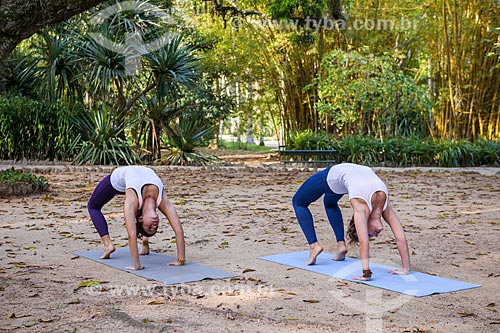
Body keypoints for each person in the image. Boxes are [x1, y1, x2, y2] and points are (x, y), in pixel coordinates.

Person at [292, 163, 411, 280]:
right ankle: (315, 245)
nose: (375, 235)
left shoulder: (365, 206)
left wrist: (405, 269)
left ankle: (338, 246)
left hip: (350, 175)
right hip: (338, 174)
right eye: (370, 234)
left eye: (370, 234)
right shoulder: (378, 205)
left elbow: (399, 238)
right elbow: (365, 242)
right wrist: (366, 273)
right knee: (298, 202)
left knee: (327, 203)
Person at [87, 165, 186, 270]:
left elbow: (131, 234)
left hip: (119, 180)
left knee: (93, 206)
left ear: (141, 219)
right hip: (139, 174)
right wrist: (181, 260)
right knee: (143, 209)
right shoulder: (162, 201)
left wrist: (136, 265)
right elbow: (178, 230)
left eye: (149, 227)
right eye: (155, 228)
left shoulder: (131, 200)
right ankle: (144, 241)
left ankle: (108, 245)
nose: (154, 225)